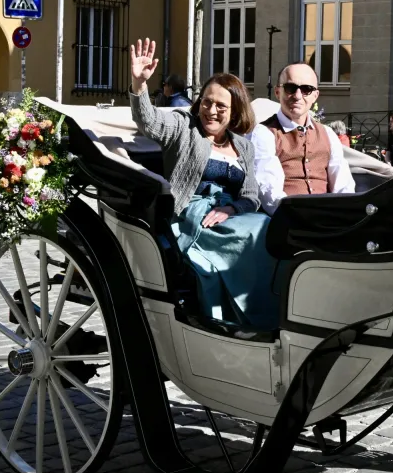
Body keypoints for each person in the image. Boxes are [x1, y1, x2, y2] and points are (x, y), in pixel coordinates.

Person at [129, 38, 277, 329]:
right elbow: (148, 122)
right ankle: (247, 320)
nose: (211, 110)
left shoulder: (243, 147)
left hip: (231, 216)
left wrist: (233, 209)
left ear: (235, 112)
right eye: (207, 102)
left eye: (221, 106)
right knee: (251, 236)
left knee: (270, 230)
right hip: (192, 214)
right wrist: (139, 84)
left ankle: (267, 313)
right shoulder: (183, 128)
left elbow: (251, 196)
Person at [249, 63, 356, 215]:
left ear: (315, 96)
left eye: (306, 89)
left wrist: (342, 214)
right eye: (290, 88)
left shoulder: (327, 133)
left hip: (328, 217)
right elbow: (268, 190)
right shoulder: (264, 133)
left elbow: (342, 183)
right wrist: (299, 216)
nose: (298, 96)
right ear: (278, 92)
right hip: (287, 219)